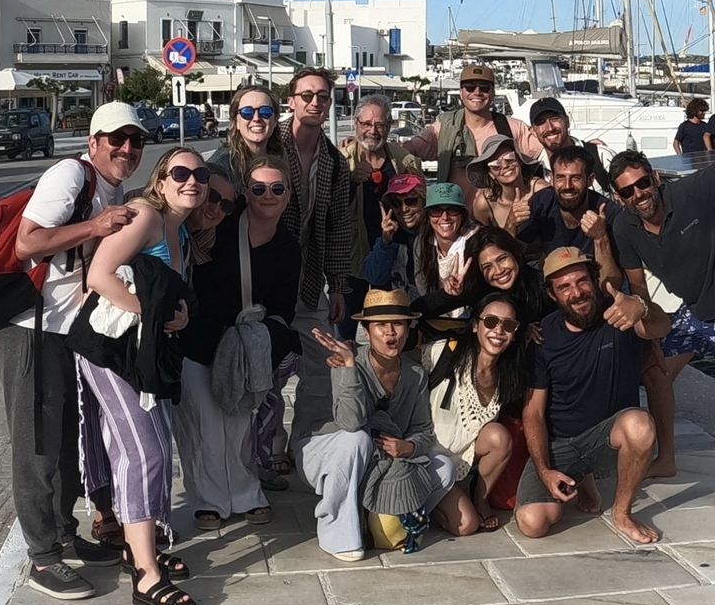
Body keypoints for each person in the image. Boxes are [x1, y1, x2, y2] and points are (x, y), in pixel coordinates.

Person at [0, 102, 146, 601]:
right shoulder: (70, 175)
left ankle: (62, 534)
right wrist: (95, 227)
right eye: (116, 139)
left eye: (135, 140)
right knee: (37, 443)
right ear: (93, 142)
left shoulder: (113, 188)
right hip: (29, 327)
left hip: (66, 330)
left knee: (66, 440)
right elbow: (27, 244)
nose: (127, 149)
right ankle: (43, 556)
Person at [75, 146, 209, 605]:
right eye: (181, 173)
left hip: (141, 352)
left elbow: (165, 291)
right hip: (108, 349)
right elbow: (99, 276)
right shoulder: (146, 216)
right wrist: (150, 317)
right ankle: (146, 573)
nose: (192, 181)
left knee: (152, 448)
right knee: (143, 451)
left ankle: (141, 548)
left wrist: (177, 316)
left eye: (200, 175)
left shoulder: (179, 230)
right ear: (161, 180)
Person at [174, 155, 301, 530]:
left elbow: (283, 309)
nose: (267, 195)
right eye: (258, 188)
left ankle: (246, 492)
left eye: (276, 188)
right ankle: (208, 499)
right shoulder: (221, 225)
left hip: (245, 349)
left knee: (241, 424)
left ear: (288, 195)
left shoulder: (288, 247)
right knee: (204, 424)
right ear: (246, 193)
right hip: (197, 338)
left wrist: (260, 340)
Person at [515, 247, 671, 544]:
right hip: (561, 443)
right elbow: (533, 412)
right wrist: (545, 471)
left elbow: (662, 326)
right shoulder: (543, 336)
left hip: (606, 440)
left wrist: (642, 307)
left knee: (640, 425)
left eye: (582, 281)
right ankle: (583, 479)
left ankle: (622, 513)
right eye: (564, 286)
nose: (576, 292)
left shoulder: (619, 315)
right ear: (551, 294)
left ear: (594, 280)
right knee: (533, 523)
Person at [297, 289, 454, 560]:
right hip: (329, 452)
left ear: (407, 329)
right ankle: (337, 531)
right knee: (356, 439)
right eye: (381, 325)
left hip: (384, 460)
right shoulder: (344, 363)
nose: (391, 332)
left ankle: (388, 515)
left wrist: (408, 447)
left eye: (398, 324)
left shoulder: (415, 374)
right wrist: (349, 366)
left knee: (445, 468)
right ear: (366, 332)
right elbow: (350, 422)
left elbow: (422, 429)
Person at [610, 148, 715, 476]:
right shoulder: (624, 227)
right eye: (627, 191)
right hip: (696, 311)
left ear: (655, 178)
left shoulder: (691, 191)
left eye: (642, 183)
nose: (638, 194)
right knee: (655, 372)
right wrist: (652, 340)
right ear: (619, 196)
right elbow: (638, 290)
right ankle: (666, 458)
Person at [280, 67, 351, 444]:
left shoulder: (335, 161)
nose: (314, 102)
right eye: (306, 95)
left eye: (322, 96)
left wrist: (337, 285)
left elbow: (338, 227)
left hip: (309, 278)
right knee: (267, 369)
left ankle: (304, 441)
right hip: (266, 276)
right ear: (291, 101)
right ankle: (270, 447)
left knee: (322, 368)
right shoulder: (270, 146)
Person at [428, 292, 526, 534]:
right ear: (475, 326)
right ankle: (428, 504)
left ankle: (480, 499)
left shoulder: (507, 376)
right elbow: (401, 367)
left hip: (462, 459)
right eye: (491, 322)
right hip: (426, 457)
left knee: (499, 436)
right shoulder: (443, 352)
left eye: (509, 325)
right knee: (466, 526)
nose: (499, 331)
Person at [403, 64, 542, 215]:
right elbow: (405, 152)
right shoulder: (443, 129)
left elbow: (546, 153)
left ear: (493, 93)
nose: (477, 92)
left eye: (484, 88)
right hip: (455, 220)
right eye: (470, 87)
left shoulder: (512, 128)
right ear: (461, 92)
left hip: (502, 220)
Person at [340, 93, 421, 338]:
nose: (372, 131)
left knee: (391, 330)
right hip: (351, 257)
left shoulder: (405, 160)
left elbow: (420, 206)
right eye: (366, 124)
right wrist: (351, 182)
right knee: (346, 333)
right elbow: (328, 209)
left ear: (389, 126)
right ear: (355, 124)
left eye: (380, 124)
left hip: (394, 257)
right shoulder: (341, 160)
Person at [514, 145, 622, 289]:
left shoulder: (610, 214)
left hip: (593, 290)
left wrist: (600, 238)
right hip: (554, 287)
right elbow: (513, 255)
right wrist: (511, 224)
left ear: (590, 180)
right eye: (560, 177)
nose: (567, 186)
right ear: (551, 179)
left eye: (576, 178)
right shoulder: (541, 202)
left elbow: (611, 288)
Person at [208, 84, 284, 193]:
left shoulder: (281, 157)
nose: (256, 118)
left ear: (275, 120)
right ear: (236, 122)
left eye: (265, 111)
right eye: (247, 112)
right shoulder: (222, 165)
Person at [362, 172, 427, 298]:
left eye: (411, 201)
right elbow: (374, 277)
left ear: (424, 201)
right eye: (396, 203)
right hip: (400, 306)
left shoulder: (438, 230)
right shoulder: (392, 234)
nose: (404, 209)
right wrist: (385, 242)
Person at [527, 96, 611, 192]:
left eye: (554, 119)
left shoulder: (601, 156)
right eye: (541, 122)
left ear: (567, 121)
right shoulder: (535, 173)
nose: (550, 128)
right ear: (533, 131)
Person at [466, 135, 547, 231]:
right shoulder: (484, 204)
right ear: (491, 174)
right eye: (495, 165)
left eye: (510, 158)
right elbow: (483, 238)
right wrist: (510, 224)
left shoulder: (542, 191)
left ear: (520, 160)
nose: (505, 165)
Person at [415, 183, 472, 298]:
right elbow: (423, 291)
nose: (445, 217)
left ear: (462, 214)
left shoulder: (474, 241)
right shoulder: (421, 243)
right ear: (428, 216)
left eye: (452, 210)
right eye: (436, 211)